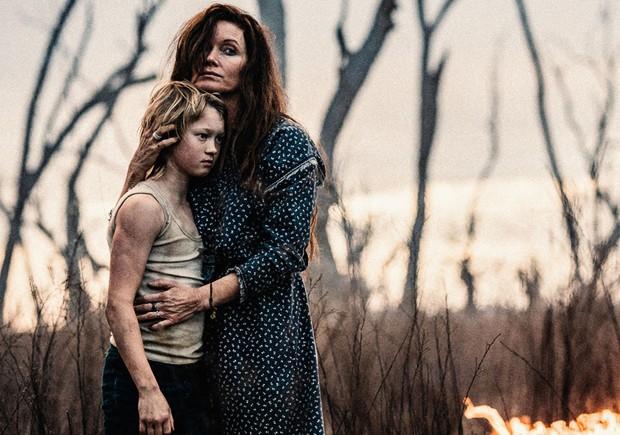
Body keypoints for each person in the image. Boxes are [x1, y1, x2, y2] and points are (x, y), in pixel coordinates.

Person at [124, 4, 326, 434]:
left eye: (228, 50)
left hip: (261, 339)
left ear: (251, 67)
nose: (211, 58)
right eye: (204, 47)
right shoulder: (188, 140)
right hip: (185, 346)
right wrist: (137, 169)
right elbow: (134, 231)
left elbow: (287, 251)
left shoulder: (283, 142)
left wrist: (201, 297)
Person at [103, 81, 226, 435]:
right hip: (145, 374)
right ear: (170, 135)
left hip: (188, 374)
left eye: (218, 139)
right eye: (202, 136)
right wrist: (148, 392)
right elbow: (117, 304)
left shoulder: (195, 203)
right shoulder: (145, 205)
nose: (213, 149)